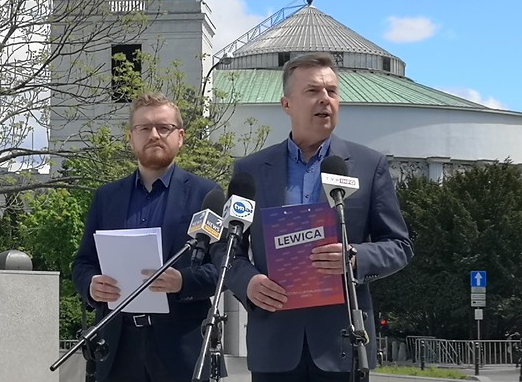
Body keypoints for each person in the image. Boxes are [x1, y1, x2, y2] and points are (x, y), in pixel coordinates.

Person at [214, 53, 414, 382]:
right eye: (312, 91)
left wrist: (354, 257)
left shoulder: (368, 165)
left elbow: (399, 246)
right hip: (274, 343)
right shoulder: (251, 171)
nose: (325, 99)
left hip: (344, 344)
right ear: (287, 104)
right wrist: (248, 282)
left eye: (332, 91)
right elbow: (225, 248)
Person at [72, 92, 220, 382]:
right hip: (116, 350)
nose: (154, 135)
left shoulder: (207, 195)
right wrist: (90, 285)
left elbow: (224, 268)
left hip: (182, 352)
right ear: (131, 138)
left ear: (180, 137)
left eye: (164, 128)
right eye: (144, 128)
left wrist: (183, 281)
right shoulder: (106, 197)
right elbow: (83, 262)